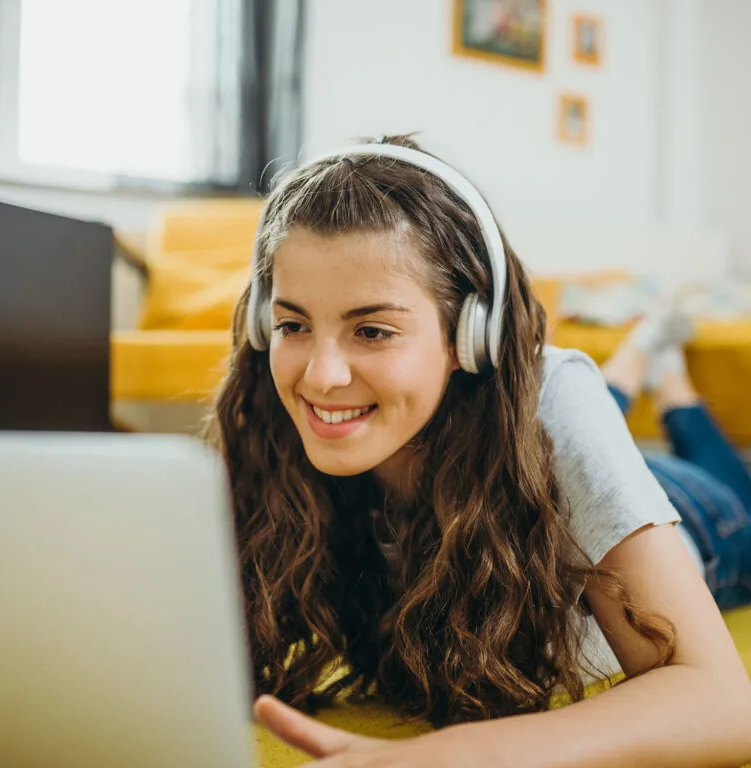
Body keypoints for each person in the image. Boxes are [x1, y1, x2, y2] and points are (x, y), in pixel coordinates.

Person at [208, 135, 751, 767]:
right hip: (532, 450)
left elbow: (723, 704)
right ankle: (635, 366)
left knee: (719, 476)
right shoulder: (280, 423)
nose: (321, 377)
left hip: (709, 521)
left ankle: (665, 372)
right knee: (559, 426)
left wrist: (450, 758)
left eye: (373, 330)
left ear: (471, 337)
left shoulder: (552, 393)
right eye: (292, 325)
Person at [600, 309, 751, 611]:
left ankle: (656, 362)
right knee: (564, 437)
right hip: (656, 496)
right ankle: (652, 361)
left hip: (672, 519)